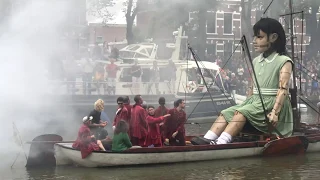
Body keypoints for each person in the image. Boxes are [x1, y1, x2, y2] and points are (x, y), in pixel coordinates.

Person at [191, 18, 293, 145]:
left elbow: (283, 89)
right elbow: (251, 86)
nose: (254, 41)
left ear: (273, 37)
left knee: (241, 113)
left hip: (271, 104)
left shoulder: (283, 61)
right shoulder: (256, 61)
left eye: (259, 37)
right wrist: (246, 103)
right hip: (256, 102)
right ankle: (208, 138)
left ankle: (221, 143)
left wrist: (275, 113)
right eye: (255, 37)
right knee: (226, 112)